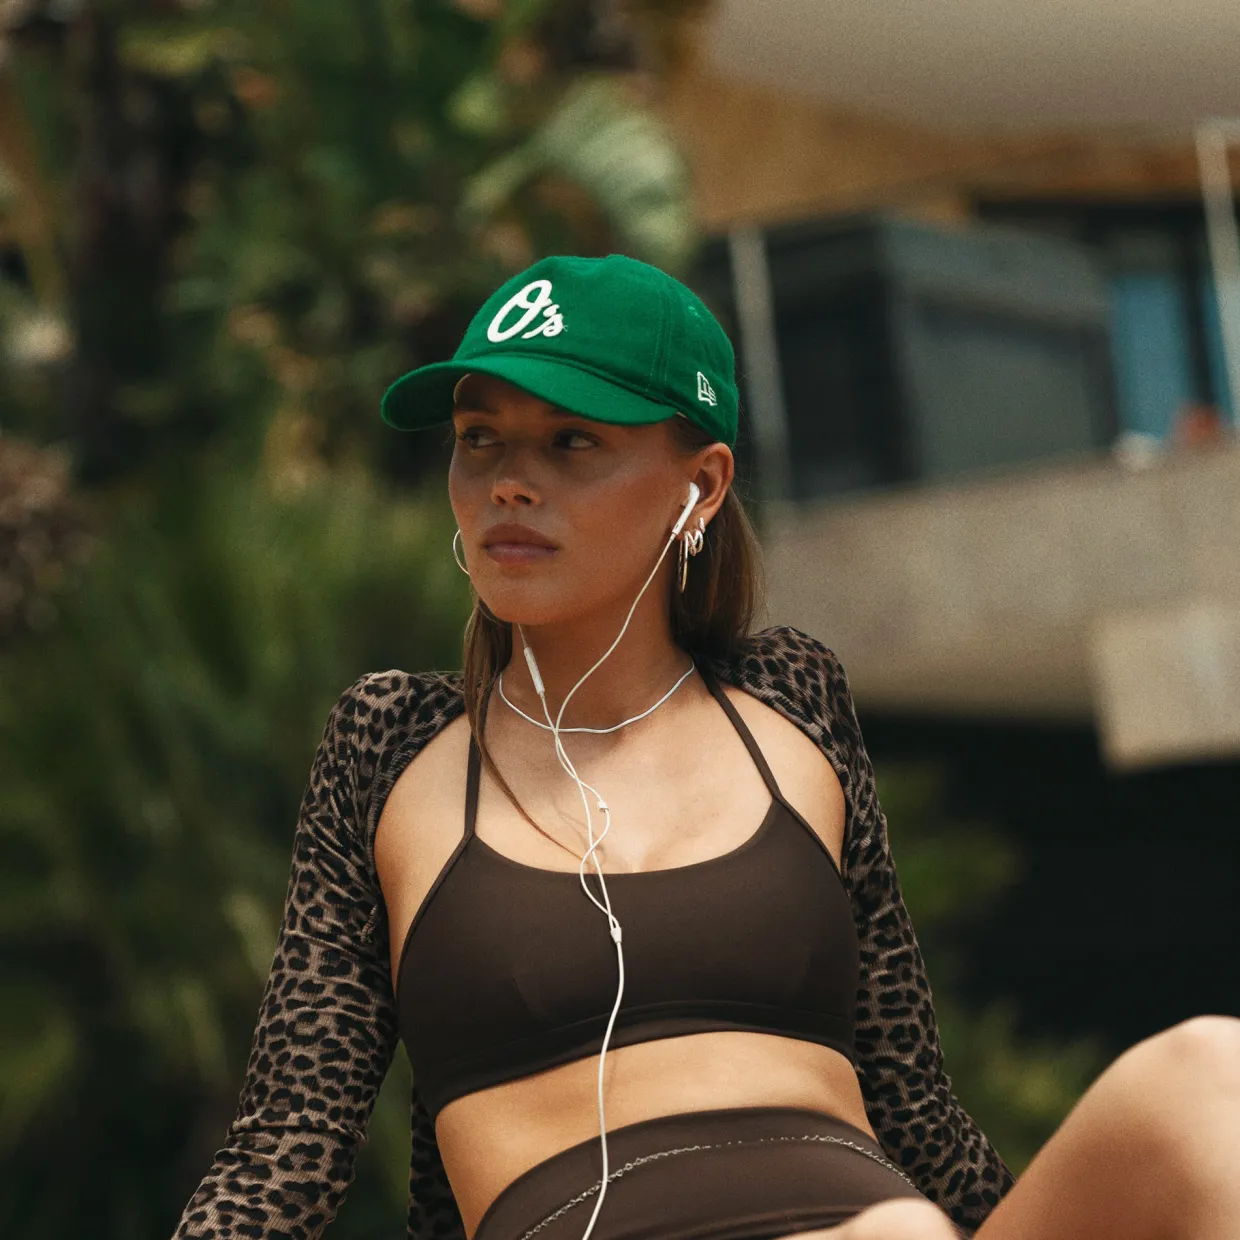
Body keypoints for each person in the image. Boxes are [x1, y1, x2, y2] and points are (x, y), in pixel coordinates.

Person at [173, 255, 1240, 1240]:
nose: (507, 481)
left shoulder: (793, 703)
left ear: (705, 485)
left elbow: (912, 1106)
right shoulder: (391, 745)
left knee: (1208, 1073)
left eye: (571, 441)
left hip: (880, 1225)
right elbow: (284, 1150)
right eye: (479, 437)